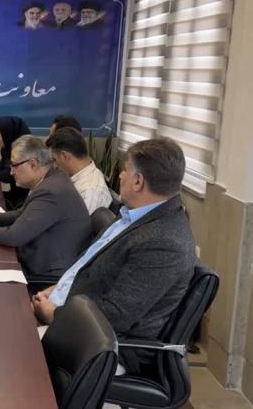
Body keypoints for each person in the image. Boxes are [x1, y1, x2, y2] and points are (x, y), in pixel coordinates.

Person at [32, 138, 196, 374]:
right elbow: (89, 266)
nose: (120, 175)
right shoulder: (135, 215)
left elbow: (116, 316)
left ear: (138, 181)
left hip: (105, 345)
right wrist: (59, 288)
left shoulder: (163, 242)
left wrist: (54, 315)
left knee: (11, 351)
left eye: (125, 170)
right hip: (75, 311)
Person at [0, 136, 92, 281]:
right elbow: (23, 213)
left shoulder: (51, 192)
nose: (11, 172)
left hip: (48, 273)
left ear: (33, 164)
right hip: (41, 258)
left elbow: (14, 236)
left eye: (14, 165)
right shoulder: (52, 179)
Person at [46, 127, 113, 214]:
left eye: (54, 160)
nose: (54, 166)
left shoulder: (89, 192)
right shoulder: (84, 177)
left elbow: (75, 223)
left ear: (65, 156)